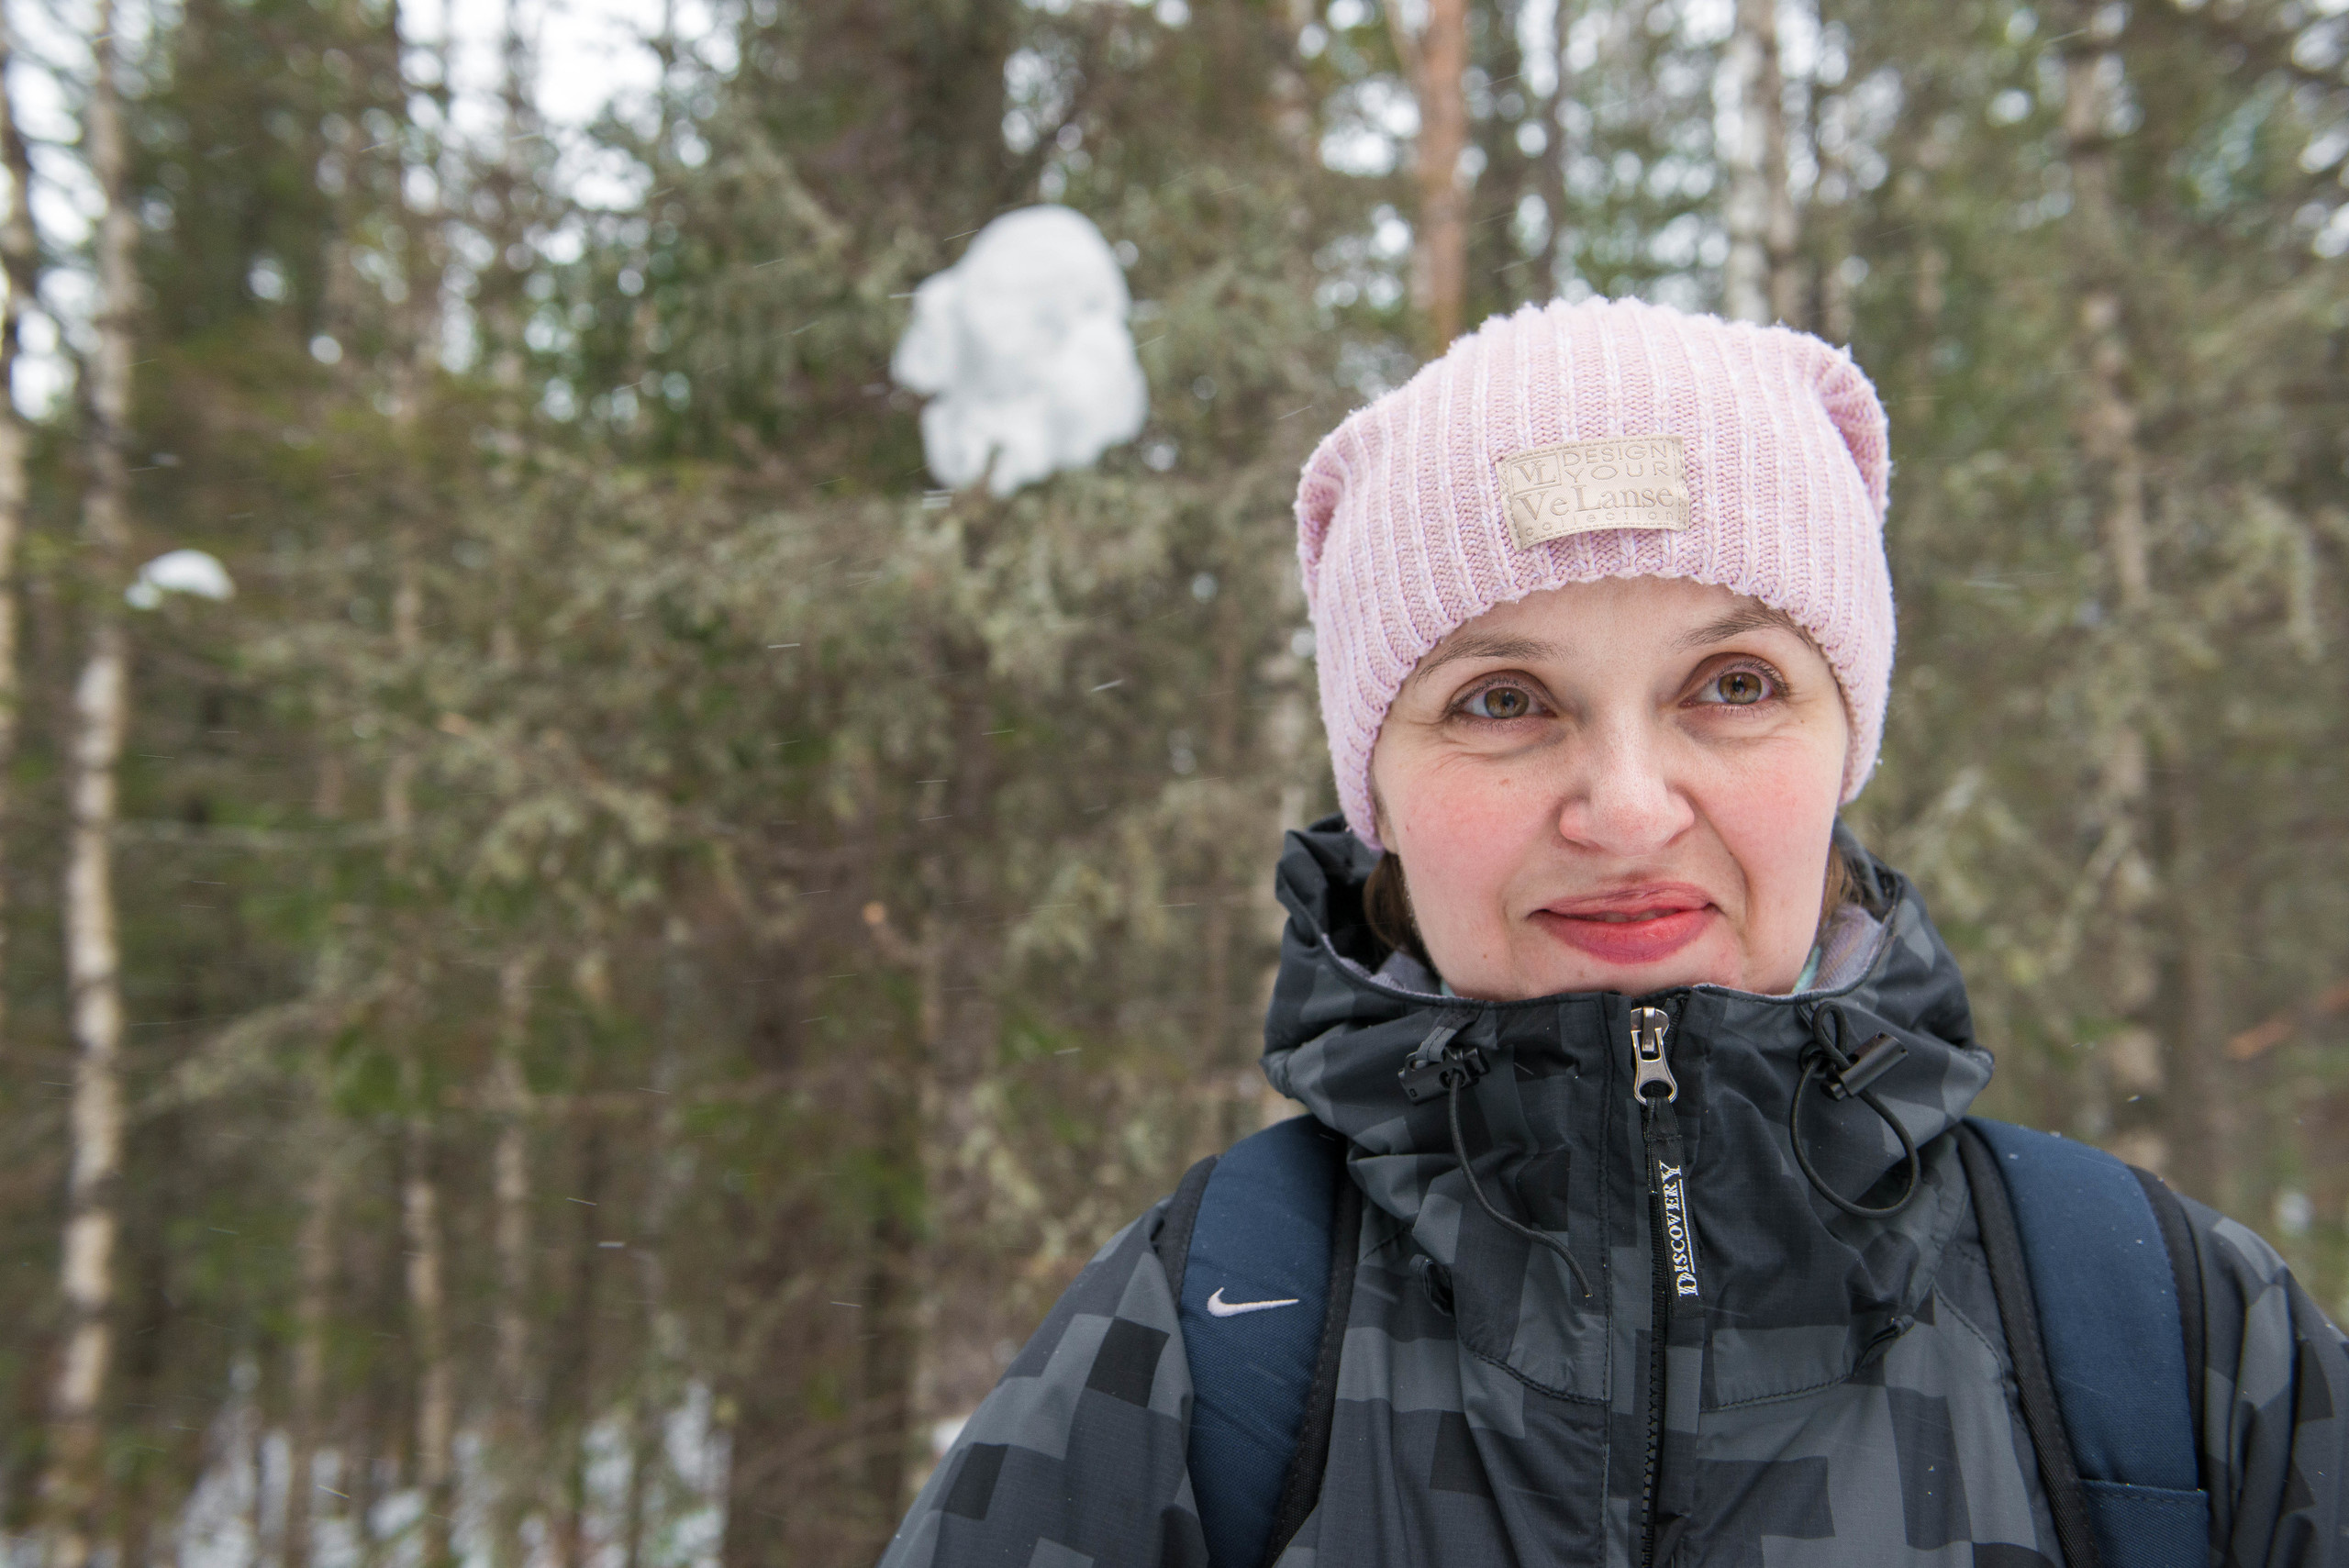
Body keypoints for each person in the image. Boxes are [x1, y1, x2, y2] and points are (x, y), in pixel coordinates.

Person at [879, 297, 2348, 1566]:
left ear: (1849, 744)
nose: (1628, 808)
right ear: (1375, 787)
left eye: (1734, 682)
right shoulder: (1202, 1341)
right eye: (1503, 700)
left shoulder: (2158, 1334)